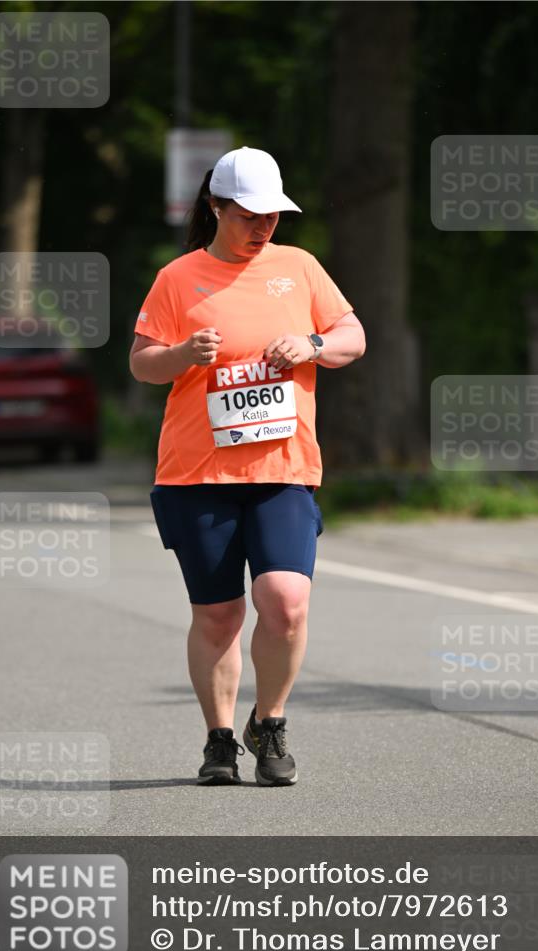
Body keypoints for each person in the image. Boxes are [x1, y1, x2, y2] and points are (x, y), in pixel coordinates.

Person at [129, 146, 365, 787]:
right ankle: (219, 740)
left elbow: (353, 337)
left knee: (285, 602)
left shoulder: (300, 268)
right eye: (249, 215)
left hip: (283, 469)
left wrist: (313, 343)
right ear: (216, 207)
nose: (264, 227)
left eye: (273, 215)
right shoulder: (178, 277)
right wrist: (181, 354)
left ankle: (271, 721)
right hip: (196, 474)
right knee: (219, 615)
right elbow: (142, 364)